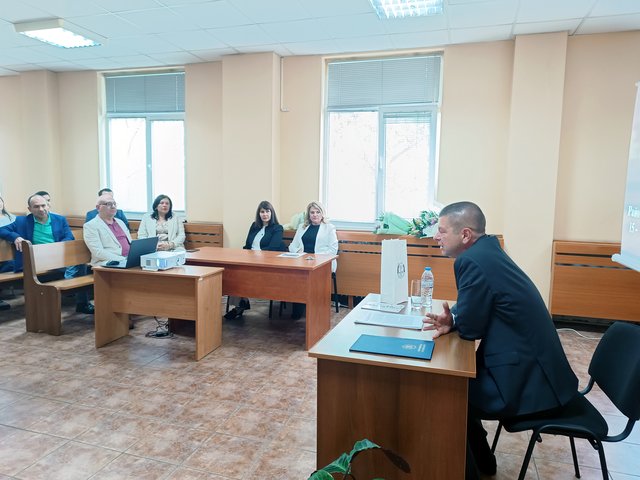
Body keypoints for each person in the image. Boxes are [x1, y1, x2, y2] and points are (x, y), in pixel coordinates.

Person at [422, 201, 578, 479]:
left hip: (529, 383)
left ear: (465, 235)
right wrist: (454, 319)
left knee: (446, 391)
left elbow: (471, 328)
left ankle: (470, 471)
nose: (436, 237)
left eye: (442, 231)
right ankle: (484, 462)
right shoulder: (487, 251)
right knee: (454, 384)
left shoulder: (471, 261)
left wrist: (458, 321)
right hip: (538, 371)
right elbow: (476, 308)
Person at [0, 194, 94, 314]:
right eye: (36, 206)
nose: (41, 209)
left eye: (43, 205)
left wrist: (56, 248)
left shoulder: (59, 219)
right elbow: (2, 230)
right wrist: (15, 237)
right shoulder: (22, 221)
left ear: (48, 206)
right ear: (29, 209)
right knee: (76, 266)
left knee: (81, 263)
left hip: (57, 257)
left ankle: (82, 303)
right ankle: (68, 278)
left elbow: (69, 237)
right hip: (35, 261)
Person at [225, 200, 285, 320]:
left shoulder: (277, 228)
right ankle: (240, 303)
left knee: (243, 275)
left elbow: (272, 249)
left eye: (267, 211)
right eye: (262, 212)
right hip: (250, 260)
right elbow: (248, 245)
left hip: (266, 263)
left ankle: (240, 305)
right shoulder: (254, 226)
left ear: (272, 213)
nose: (265, 214)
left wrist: (255, 255)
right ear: (259, 214)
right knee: (234, 272)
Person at [288, 201, 338, 320]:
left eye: (317, 212)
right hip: (302, 261)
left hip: (322, 262)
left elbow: (333, 250)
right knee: (296, 275)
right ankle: (298, 309)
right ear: (308, 214)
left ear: (322, 213)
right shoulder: (302, 227)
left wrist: (314, 257)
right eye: (312, 212)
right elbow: (292, 246)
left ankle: (316, 311)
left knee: (310, 275)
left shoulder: (329, 227)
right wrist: (299, 252)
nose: (315, 215)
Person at [83, 194, 132, 266]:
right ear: (98, 208)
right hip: (110, 263)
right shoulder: (90, 226)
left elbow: (130, 242)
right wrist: (123, 259)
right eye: (109, 204)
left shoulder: (120, 222)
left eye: (114, 204)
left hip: (129, 259)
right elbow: (98, 252)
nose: (113, 206)